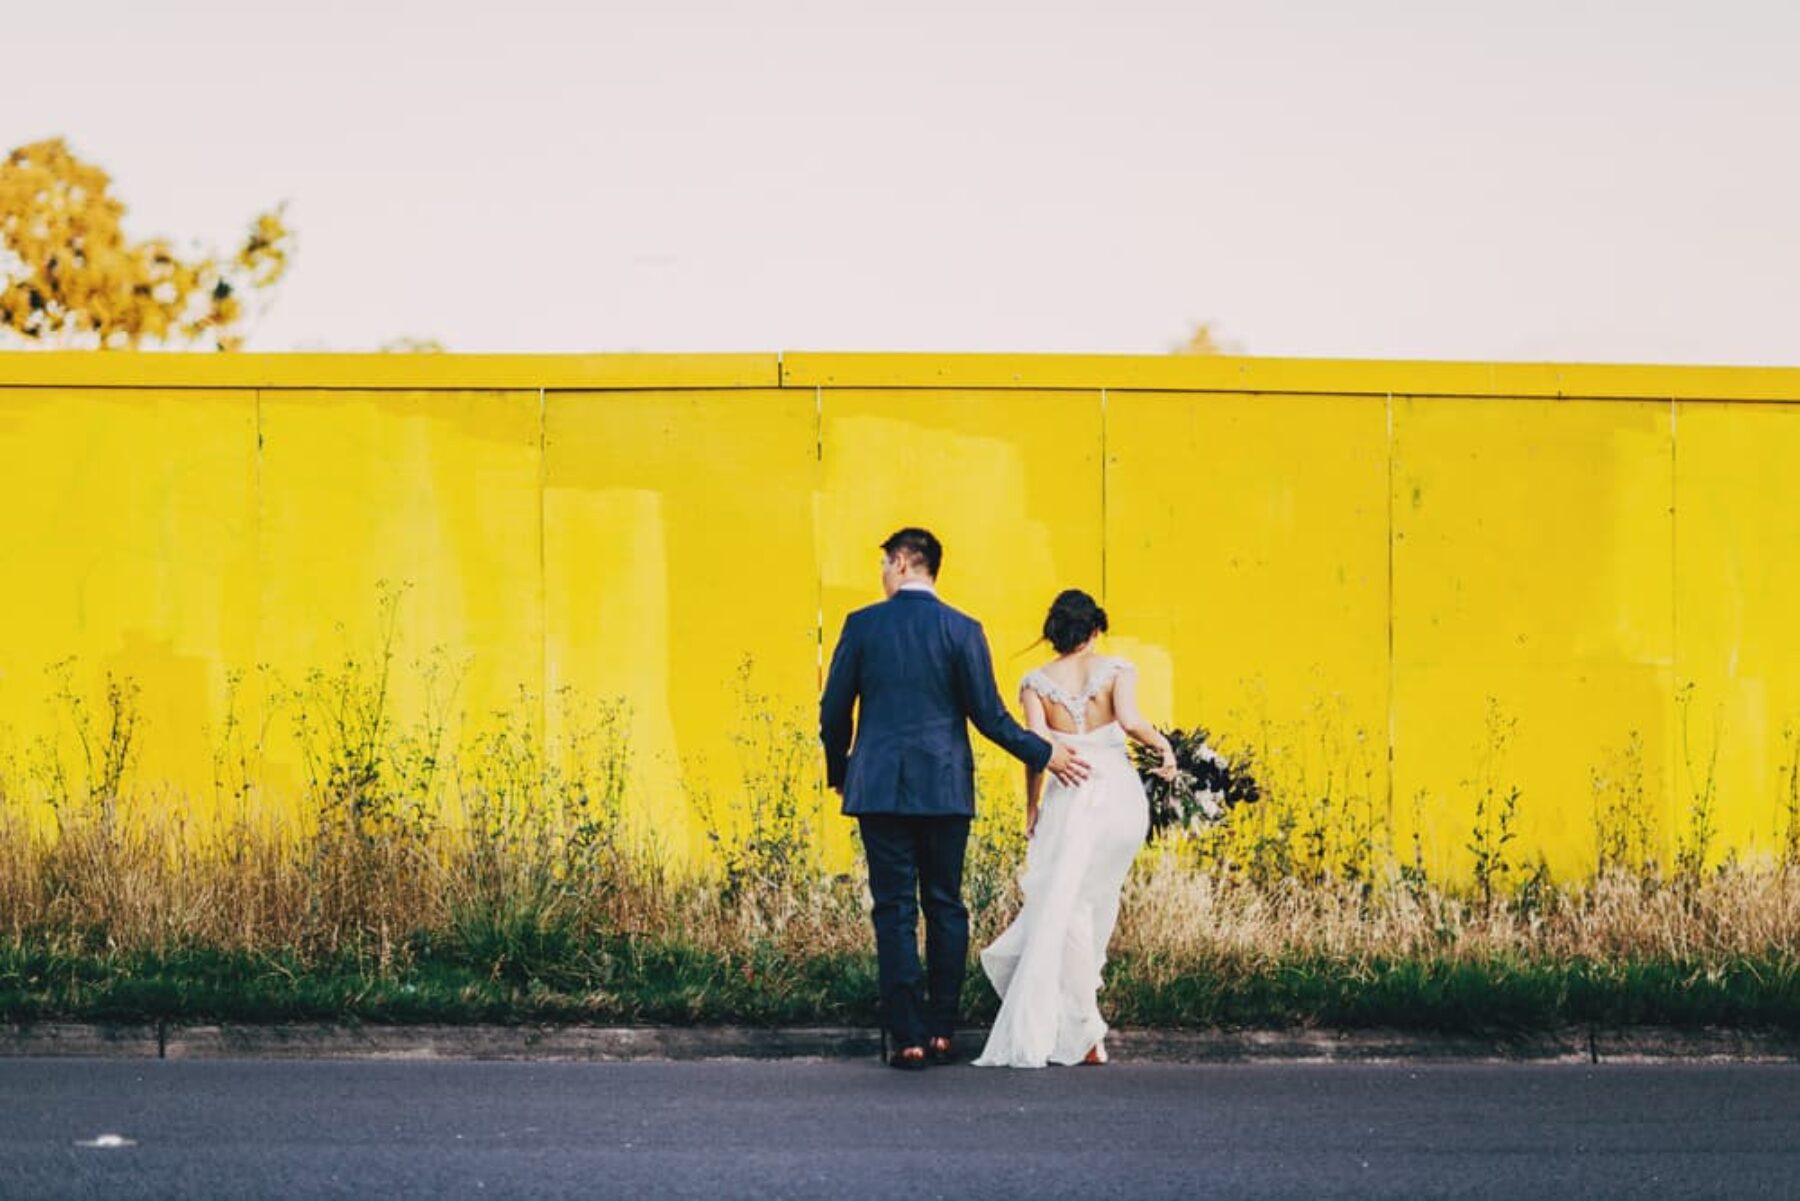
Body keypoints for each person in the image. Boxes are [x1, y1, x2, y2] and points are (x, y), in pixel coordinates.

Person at [820, 529, 1092, 1070]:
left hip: (879, 790)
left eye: (883, 563)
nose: (882, 574)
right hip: (945, 789)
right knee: (945, 902)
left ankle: (909, 1037)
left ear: (901, 563)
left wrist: (842, 772)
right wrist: (1044, 753)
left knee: (894, 909)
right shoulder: (963, 630)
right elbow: (988, 716)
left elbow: (833, 713)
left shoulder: (862, 625)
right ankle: (943, 1029)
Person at [972, 589, 1177, 1069]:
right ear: (1096, 629)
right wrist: (1163, 746)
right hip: (1119, 800)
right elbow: (1128, 721)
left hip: (1070, 795)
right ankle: (1085, 1025)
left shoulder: (1034, 683)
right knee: (1093, 903)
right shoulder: (1118, 671)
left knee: (1069, 909)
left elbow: (1037, 748)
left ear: (1055, 634)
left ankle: (1082, 1026)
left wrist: (1031, 807)